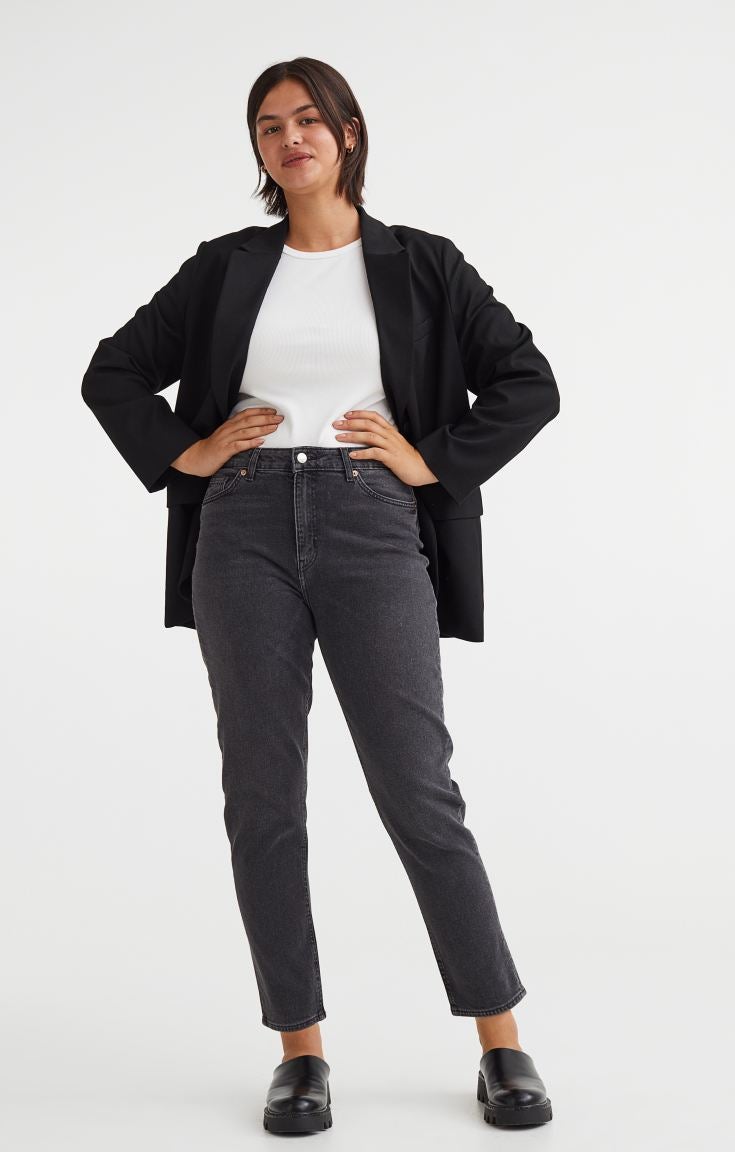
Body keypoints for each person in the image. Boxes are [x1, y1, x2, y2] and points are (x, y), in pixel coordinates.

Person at [81, 56, 559, 1135]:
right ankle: (300, 1051)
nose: (289, 137)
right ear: (258, 149)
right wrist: (191, 451)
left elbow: (529, 381)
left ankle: (500, 1039)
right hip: (241, 526)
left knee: (417, 787)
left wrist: (433, 461)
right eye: (268, 126)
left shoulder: (424, 263)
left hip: (373, 520)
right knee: (262, 795)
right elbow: (112, 371)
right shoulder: (225, 268)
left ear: (348, 131)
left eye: (307, 119)